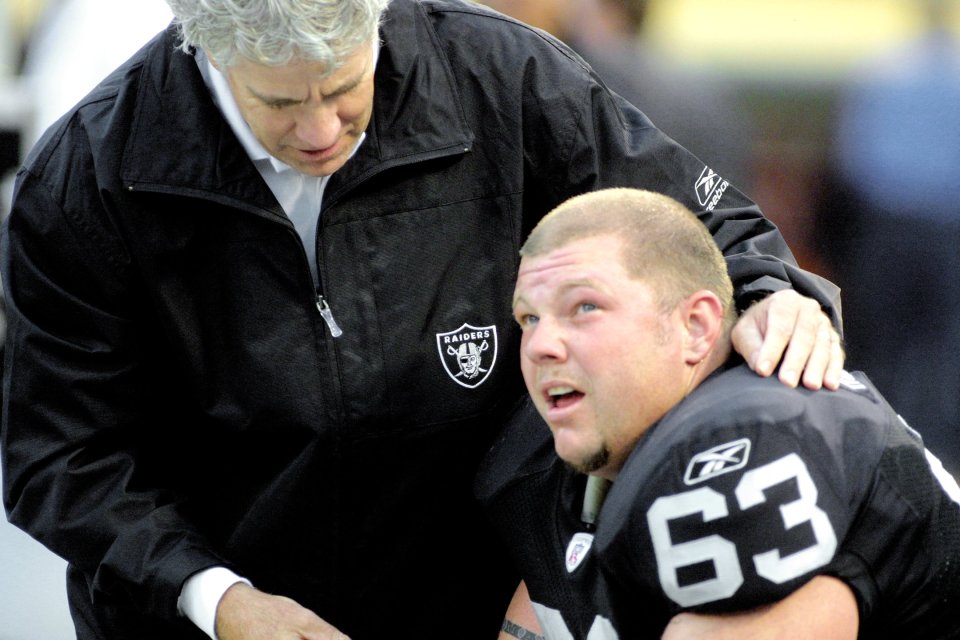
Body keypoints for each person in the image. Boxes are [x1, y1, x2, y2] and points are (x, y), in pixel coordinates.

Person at [1, 1, 843, 638]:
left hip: (483, 609)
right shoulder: (90, 175)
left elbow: (708, 223)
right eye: (279, 102)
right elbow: (59, 455)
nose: (320, 129)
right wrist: (215, 599)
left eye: (343, 87)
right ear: (204, 49)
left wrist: (775, 293)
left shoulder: (500, 76)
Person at [477, 187, 960, 639]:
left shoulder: (747, 444)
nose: (540, 344)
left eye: (585, 307)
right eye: (530, 318)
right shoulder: (548, 463)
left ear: (695, 326)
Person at [825, 0, 960, 478]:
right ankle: (941, 458)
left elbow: (849, 160)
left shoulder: (880, 73)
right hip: (948, 230)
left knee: (882, 344)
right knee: (944, 349)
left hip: (886, 228)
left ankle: (879, 447)